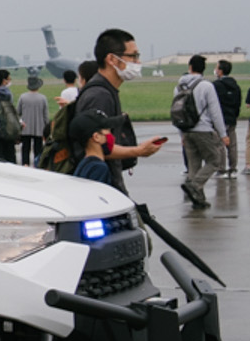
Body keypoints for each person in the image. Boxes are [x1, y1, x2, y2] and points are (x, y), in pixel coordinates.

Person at [68, 32, 164, 195]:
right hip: (103, 188)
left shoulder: (106, 91)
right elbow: (96, 144)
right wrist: (139, 151)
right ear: (112, 59)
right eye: (133, 56)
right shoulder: (99, 96)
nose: (137, 62)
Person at [172, 55, 223, 209]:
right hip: (203, 129)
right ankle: (194, 186)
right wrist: (223, 133)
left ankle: (198, 200)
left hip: (186, 130)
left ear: (190, 67)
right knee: (214, 160)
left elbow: (177, 111)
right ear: (203, 69)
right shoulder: (206, 86)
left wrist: (181, 134)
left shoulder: (178, 87)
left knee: (194, 165)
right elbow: (215, 112)